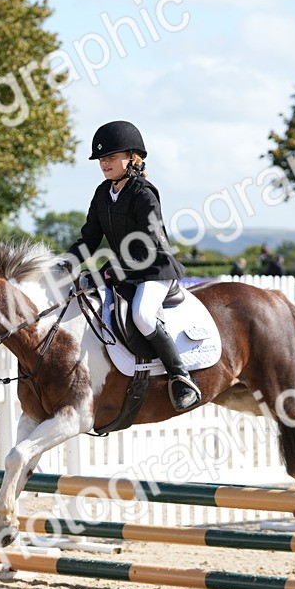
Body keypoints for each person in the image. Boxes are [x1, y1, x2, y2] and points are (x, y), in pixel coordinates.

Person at [58, 120, 201, 412]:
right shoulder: (102, 193)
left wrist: (111, 272)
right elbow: (89, 238)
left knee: (143, 315)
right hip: (124, 269)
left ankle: (180, 377)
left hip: (154, 268)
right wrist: (64, 265)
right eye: (101, 159)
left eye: (110, 157)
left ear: (132, 158)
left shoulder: (144, 194)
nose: (104, 163)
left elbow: (147, 245)